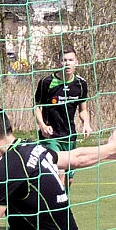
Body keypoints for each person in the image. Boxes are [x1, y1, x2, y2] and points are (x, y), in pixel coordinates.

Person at [34, 47, 92, 187]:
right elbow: (37, 107)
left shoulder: (81, 84)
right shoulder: (47, 82)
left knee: (69, 179)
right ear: (59, 63)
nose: (67, 63)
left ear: (76, 62)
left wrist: (86, 123)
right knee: (59, 174)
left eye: (70, 60)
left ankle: (64, 205)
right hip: (51, 136)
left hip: (69, 136)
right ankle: (59, 208)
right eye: (64, 60)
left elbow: (83, 110)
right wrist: (42, 125)